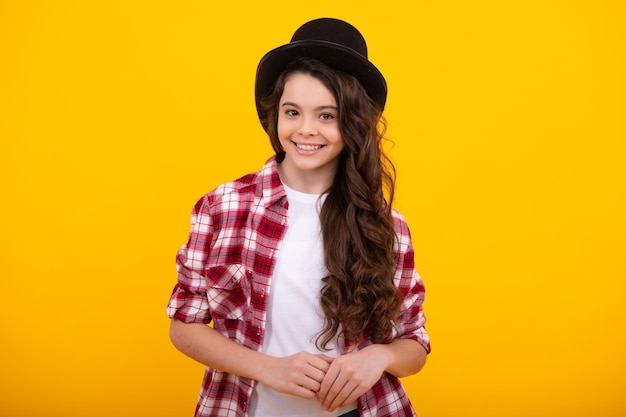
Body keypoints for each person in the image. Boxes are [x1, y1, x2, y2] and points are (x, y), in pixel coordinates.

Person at [166, 17, 430, 417]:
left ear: (353, 123)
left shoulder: (387, 227)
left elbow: (414, 344)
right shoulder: (222, 207)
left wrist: (378, 357)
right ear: (275, 116)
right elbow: (183, 326)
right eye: (292, 112)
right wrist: (269, 369)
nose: (306, 130)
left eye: (327, 115)